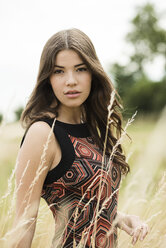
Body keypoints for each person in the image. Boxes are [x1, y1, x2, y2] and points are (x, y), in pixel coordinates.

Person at [13, 28, 148, 248]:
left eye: (80, 69)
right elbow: (23, 225)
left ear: (92, 73)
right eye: (59, 71)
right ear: (48, 78)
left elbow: (89, 206)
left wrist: (122, 218)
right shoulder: (43, 134)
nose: (71, 81)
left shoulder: (95, 129)